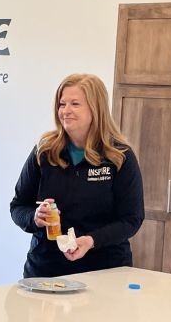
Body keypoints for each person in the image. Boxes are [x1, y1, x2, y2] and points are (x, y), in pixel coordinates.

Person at [10, 73, 144, 278]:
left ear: (95, 108)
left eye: (75, 104)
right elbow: (18, 206)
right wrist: (34, 218)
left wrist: (91, 240)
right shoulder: (44, 152)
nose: (66, 111)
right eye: (62, 104)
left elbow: (131, 219)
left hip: (105, 270)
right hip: (46, 268)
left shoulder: (119, 156)